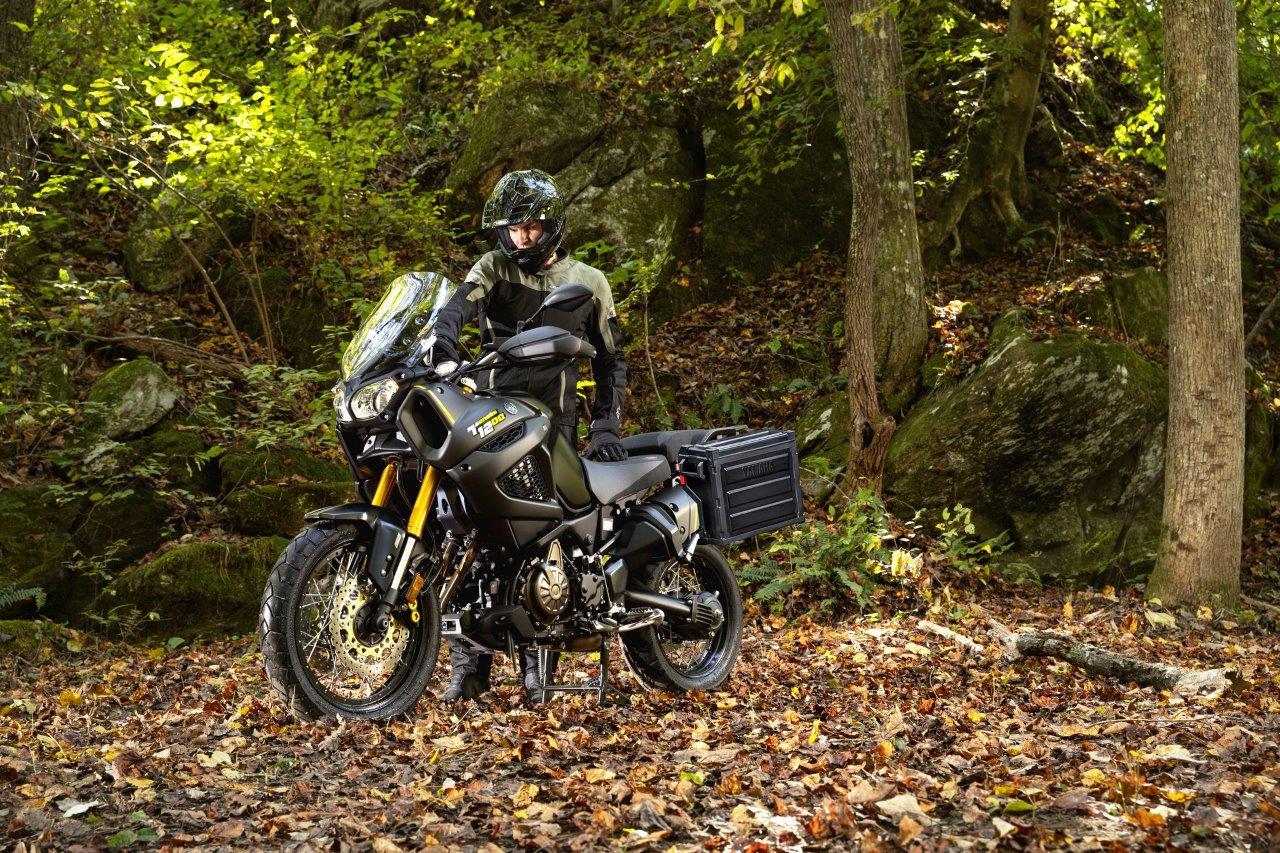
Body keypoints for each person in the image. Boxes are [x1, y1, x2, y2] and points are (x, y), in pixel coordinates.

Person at [430, 168, 628, 702]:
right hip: (489, 418)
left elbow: (612, 361)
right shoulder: (492, 268)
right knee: (465, 533)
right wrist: (441, 344)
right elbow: (457, 307)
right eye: (512, 229)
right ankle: (468, 667)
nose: (521, 238)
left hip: (555, 422)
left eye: (531, 228)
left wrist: (605, 424)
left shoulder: (589, 282)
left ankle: (540, 669)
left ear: (552, 226)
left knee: (549, 539)